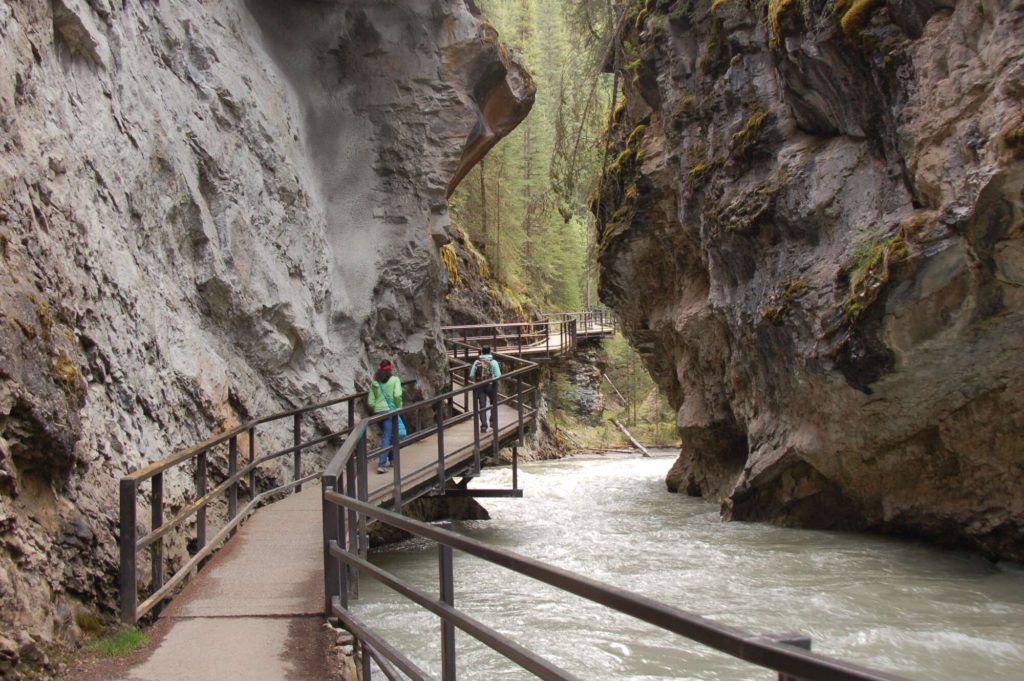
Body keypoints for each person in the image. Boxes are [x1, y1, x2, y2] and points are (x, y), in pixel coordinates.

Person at [368, 360, 403, 473]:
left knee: (390, 434)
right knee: (387, 436)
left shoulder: (375, 383)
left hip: (378, 413)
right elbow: (397, 395)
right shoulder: (395, 380)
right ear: (390, 369)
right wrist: (398, 407)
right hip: (389, 412)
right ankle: (381, 464)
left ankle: (392, 459)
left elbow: (370, 401)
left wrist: (377, 407)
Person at [469, 346, 501, 432]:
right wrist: (491, 378)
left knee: (482, 406)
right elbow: (498, 375)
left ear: (481, 352)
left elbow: (471, 375)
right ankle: (493, 422)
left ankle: (483, 426)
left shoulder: (477, 362)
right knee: (493, 403)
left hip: (480, 386)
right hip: (490, 386)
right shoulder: (493, 362)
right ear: (490, 352)